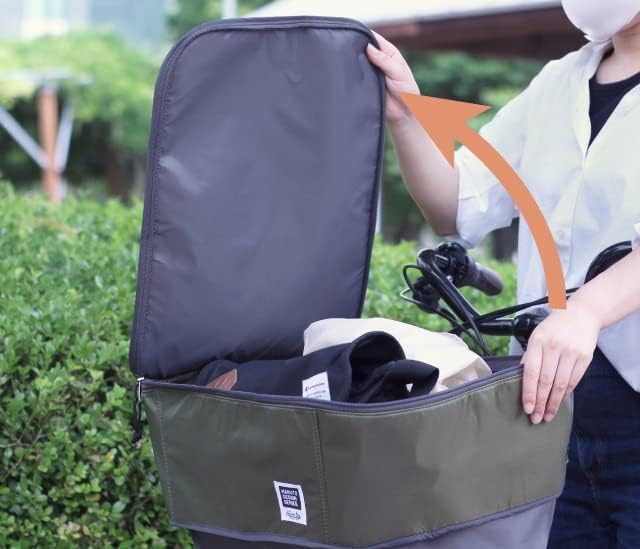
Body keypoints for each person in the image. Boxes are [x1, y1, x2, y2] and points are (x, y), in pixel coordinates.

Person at [366, 1, 640, 546]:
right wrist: (405, 114)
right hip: (547, 414)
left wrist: (585, 311)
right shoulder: (559, 83)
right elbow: (457, 204)